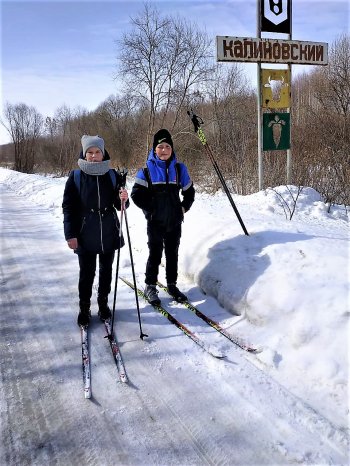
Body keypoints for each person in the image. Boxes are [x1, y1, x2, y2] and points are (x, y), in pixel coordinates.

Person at [62, 135, 129, 327]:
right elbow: (68, 207)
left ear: (103, 153)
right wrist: (70, 234)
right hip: (85, 232)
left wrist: (124, 198)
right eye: (89, 152)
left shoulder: (112, 174)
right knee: (87, 273)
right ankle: (84, 308)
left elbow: (120, 205)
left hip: (109, 230)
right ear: (84, 154)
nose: (93, 156)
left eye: (97, 152)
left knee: (106, 271)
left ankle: (103, 304)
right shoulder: (75, 177)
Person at [131, 128, 195, 305]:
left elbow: (190, 192)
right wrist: (151, 210)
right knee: (155, 253)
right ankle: (150, 285)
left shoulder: (179, 168)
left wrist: (183, 208)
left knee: (172, 253)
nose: (164, 150)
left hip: (174, 221)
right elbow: (136, 195)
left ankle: (172, 285)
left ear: (172, 149)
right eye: (161, 146)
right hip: (155, 222)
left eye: (168, 146)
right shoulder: (146, 171)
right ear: (154, 149)